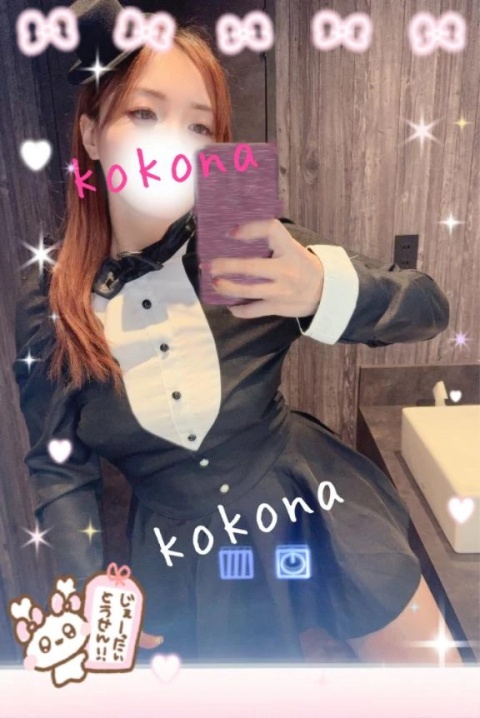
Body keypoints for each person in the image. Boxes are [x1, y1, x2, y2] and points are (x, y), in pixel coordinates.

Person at [12, 0, 462, 665]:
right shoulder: (50, 302)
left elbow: (428, 306)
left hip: (311, 505)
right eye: (144, 113)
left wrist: (320, 285)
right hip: (183, 560)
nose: (173, 143)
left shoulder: (252, 244)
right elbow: (59, 466)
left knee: (434, 688)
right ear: (91, 133)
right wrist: (86, 592)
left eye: (199, 125)